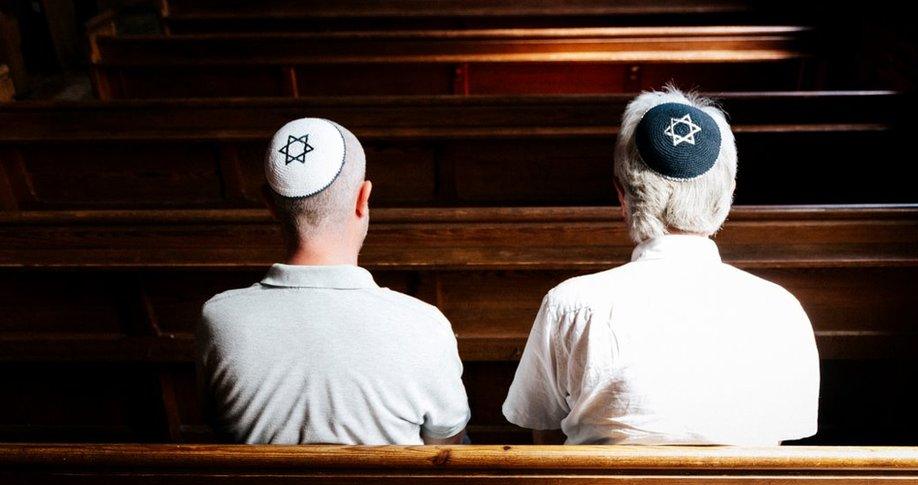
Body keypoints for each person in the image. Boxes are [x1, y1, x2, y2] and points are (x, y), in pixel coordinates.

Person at [502, 87, 820, 445]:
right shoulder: (781, 309)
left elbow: (541, 433)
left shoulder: (571, 305)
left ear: (622, 195)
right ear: (728, 193)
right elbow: (785, 439)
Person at [196, 118, 470, 444]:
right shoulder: (426, 325)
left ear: (269, 204)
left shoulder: (219, 319)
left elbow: (217, 428)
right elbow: (448, 448)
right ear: (362, 198)